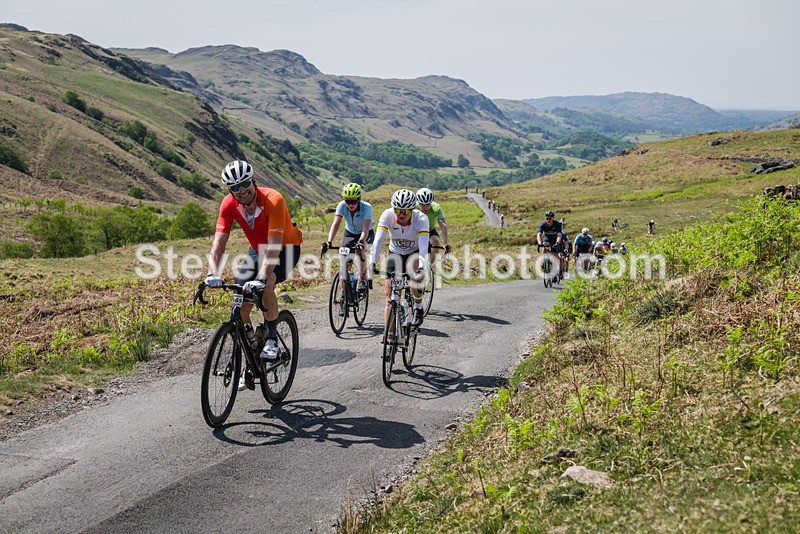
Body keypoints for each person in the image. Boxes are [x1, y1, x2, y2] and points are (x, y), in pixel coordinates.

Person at [205, 160, 303, 388]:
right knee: (239, 304)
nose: (242, 190)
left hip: (285, 247)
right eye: (236, 187)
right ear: (230, 191)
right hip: (258, 249)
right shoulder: (228, 205)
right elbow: (219, 242)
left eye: (246, 183)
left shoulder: (273, 199)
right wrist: (212, 273)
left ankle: (270, 339)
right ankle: (251, 347)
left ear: (254, 181)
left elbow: (274, 245)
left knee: (266, 281)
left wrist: (260, 279)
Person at [370, 189, 430, 328]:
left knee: (416, 277)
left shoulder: (421, 219)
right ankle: (389, 336)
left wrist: (422, 267)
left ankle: (418, 307)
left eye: (405, 212)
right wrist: (371, 262)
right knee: (390, 297)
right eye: (398, 211)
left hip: (414, 253)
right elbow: (378, 241)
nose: (401, 215)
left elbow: (423, 247)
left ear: (412, 210)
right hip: (395, 253)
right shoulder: (387, 215)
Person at [323, 183, 373, 291]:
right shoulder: (341, 206)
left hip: (365, 233)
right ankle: (344, 294)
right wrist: (329, 242)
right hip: (350, 233)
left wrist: (361, 241)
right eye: (348, 201)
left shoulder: (366, 207)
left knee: (360, 250)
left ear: (359, 199)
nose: (350, 204)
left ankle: (363, 279)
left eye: (353, 201)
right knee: (344, 259)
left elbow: (365, 229)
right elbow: (335, 225)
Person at [416, 187, 451, 264]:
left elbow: (443, 225)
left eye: (428, 204)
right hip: (417, 232)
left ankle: (429, 266)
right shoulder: (414, 208)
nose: (426, 208)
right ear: (418, 203)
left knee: (436, 242)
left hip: (430, 230)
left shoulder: (436, 208)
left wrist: (445, 243)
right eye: (422, 205)